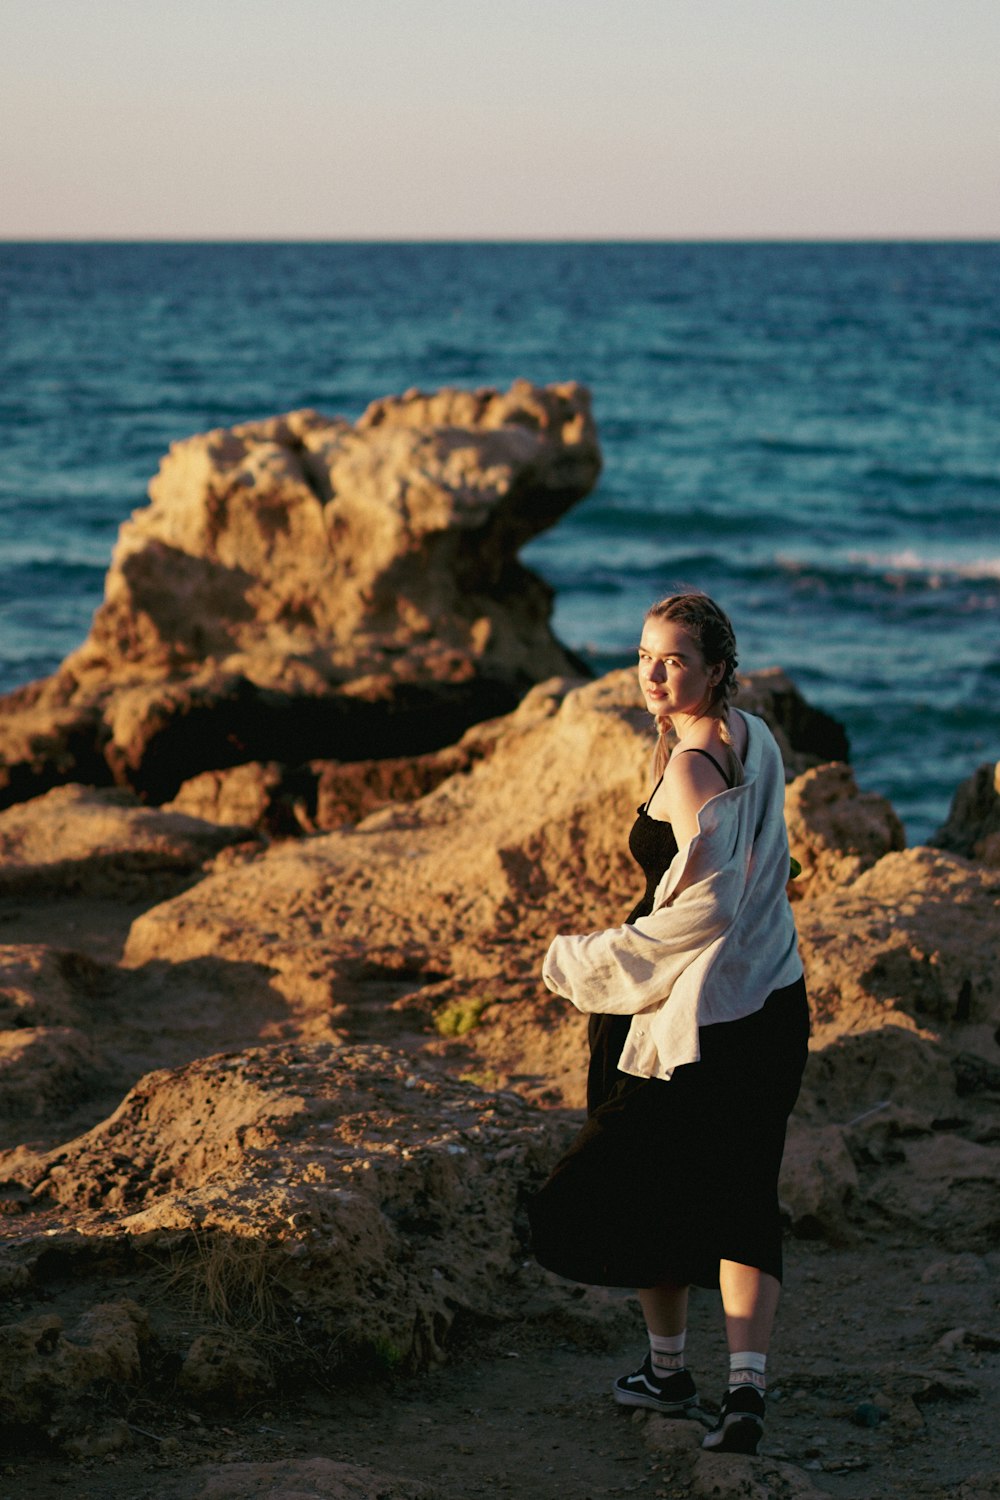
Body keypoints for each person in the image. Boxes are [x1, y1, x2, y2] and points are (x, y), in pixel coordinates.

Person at [527, 591, 809, 1457]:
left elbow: (712, 905)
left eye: (675, 659)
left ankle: (670, 1367)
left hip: (695, 1018)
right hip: (775, 998)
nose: (652, 673)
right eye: (645, 655)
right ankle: (741, 1393)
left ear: (716, 670)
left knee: (643, 1181)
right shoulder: (751, 736)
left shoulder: (689, 769)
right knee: (742, 1194)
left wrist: (588, 959)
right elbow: (765, 871)